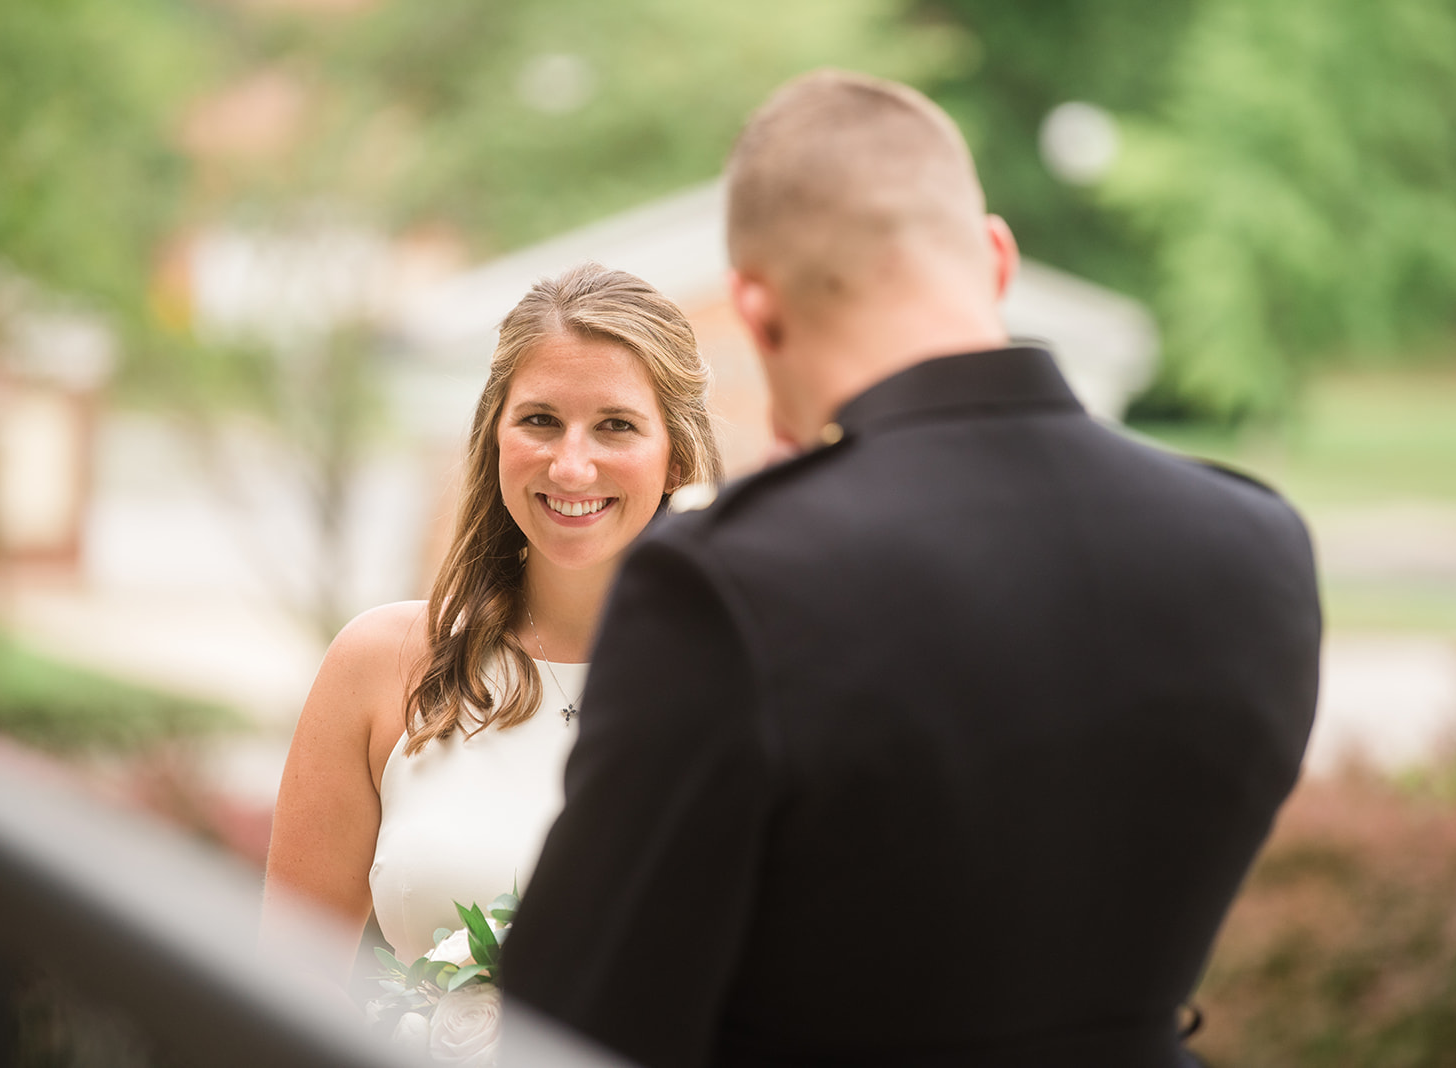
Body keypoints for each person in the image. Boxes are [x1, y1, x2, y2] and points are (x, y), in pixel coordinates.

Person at [502, 70, 1321, 1068]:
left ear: (757, 314)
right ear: (996, 258)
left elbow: (571, 1029)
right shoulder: (1257, 544)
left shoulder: (731, 585)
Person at [261, 263, 723, 980]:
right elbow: (284, 993)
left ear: (675, 456)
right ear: (495, 436)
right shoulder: (379, 666)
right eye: (540, 420)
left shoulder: (742, 682)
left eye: (616, 426)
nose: (572, 467)